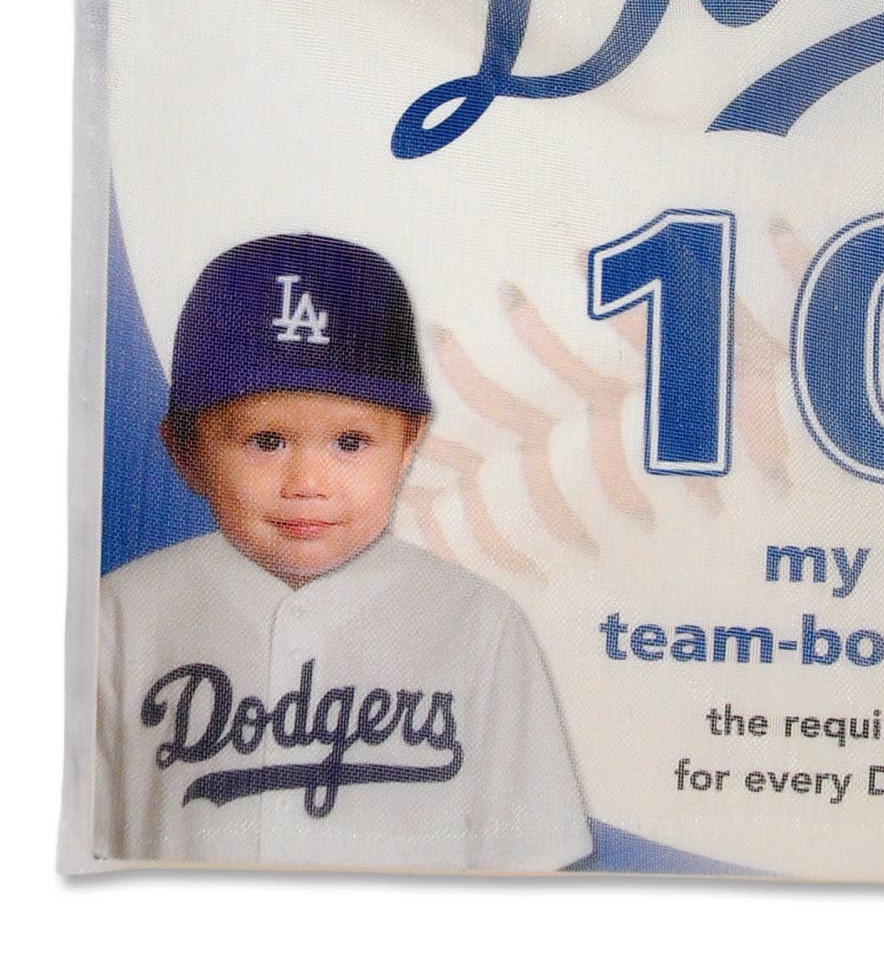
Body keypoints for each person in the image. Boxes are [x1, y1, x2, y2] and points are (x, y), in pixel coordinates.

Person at [96, 231, 592, 869]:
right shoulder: (121, 615)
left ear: (408, 444)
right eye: (266, 441)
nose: (308, 483)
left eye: (351, 443)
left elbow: (529, 867)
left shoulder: (479, 623)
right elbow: (81, 848)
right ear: (186, 452)